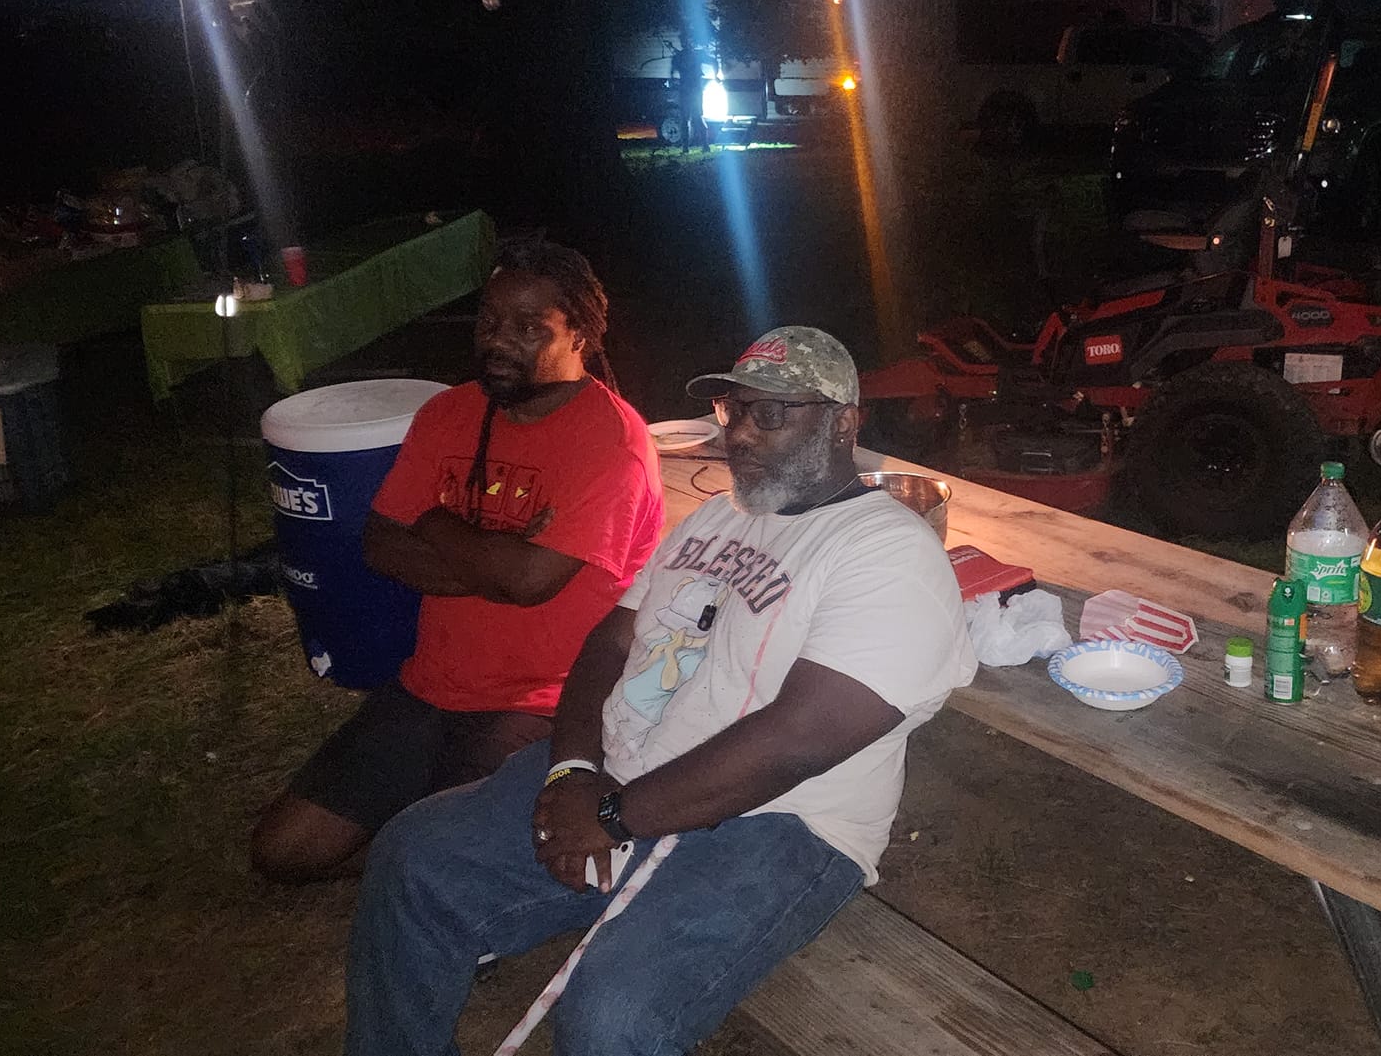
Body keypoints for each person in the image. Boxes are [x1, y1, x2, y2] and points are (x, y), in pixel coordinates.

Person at [346, 326, 976, 1056]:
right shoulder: (716, 515)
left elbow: (802, 738)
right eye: (731, 411)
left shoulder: (888, 549)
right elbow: (609, 643)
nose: (738, 433)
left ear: (842, 421)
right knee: (414, 860)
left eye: (768, 414)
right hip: (615, 775)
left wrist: (614, 815)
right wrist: (574, 769)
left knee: (612, 1018)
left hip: (777, 823)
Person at [249, 241, 664, 884]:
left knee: (439, 857)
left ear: (579, 335)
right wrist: (495, 557)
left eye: (530, 328)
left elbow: (529, 583)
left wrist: (435, 520)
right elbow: (379, 546)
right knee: (280, 854)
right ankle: (420, 853)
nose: (501, 342)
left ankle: (429, 858)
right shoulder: (448, 413)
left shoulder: (613, 441)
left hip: (542, 703)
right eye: (491, 322)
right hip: (429, 685)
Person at [669, 33, 711, 153]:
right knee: (687, 118)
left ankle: (701, 146)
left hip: (692, 91)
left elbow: (672, 73)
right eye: (684, 41)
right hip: (688, 91)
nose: (685, 43)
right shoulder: (684, 56)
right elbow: (672, 72)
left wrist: (715, 75)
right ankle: (689, 147)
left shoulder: (690, 55)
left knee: (695, 117)